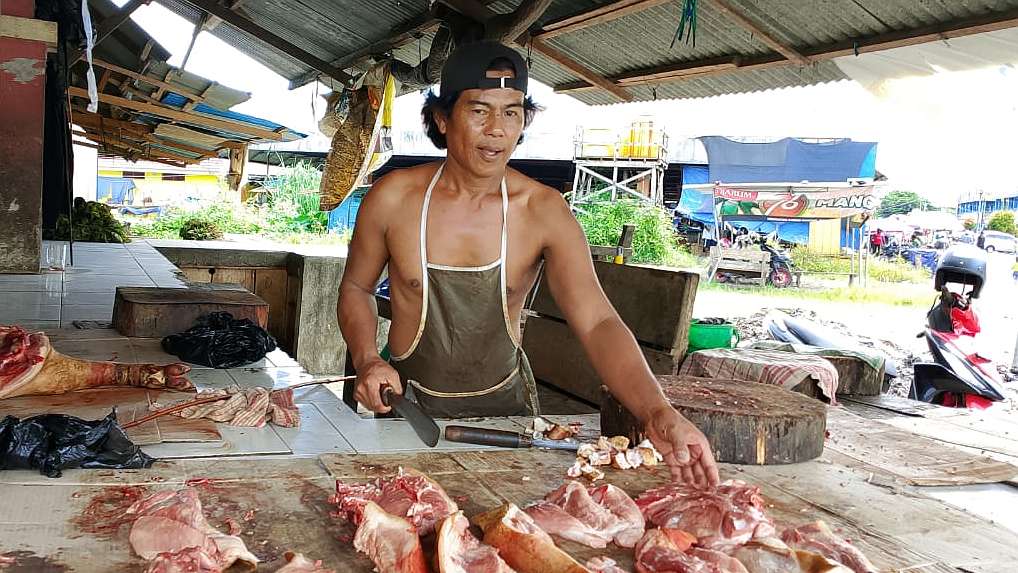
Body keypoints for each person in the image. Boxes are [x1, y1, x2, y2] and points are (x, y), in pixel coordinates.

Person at [337, 41, 718, 487]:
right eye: (479, 110)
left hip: (510, 423)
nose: (497, 130)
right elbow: (356, 289)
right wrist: (367, 358)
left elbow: (597, 320)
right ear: (442, 119)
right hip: (408, 411)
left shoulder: (543, 210)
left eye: (512, 112)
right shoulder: (394, 198)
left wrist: (657, 411)